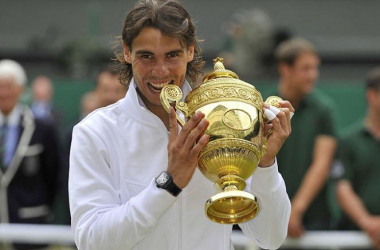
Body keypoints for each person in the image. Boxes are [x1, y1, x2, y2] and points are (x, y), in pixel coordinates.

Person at [69, 1, 293, 249]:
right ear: (127, 52)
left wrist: (265, 164)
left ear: (190, 51)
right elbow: (91, 241)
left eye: (172, 55)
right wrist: (169, 183)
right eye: (146, 56)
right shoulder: (95, 132)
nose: (160, 70)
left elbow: (270, 238)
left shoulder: (223, 122)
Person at [274, 38, 337, 238]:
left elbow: (322, 164)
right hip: (268, 216)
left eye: (315, 68)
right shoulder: (263, 107)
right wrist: (281, 211)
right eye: (306, 68)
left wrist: (296, 211)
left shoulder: (323, 110)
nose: (313, 75)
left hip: (313, 221)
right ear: (285, 69)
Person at [0, 59, 60, 249]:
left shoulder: (42, 128)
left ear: (20, 89)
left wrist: (42, 207)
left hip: (30, 224)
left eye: (8, 86)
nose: (3, 93)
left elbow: (53, 174)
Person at [335, 67, 380, 249]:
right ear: (371, 95)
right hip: (354, 238)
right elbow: (342, 187)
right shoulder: (348, 142)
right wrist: (368, 222)